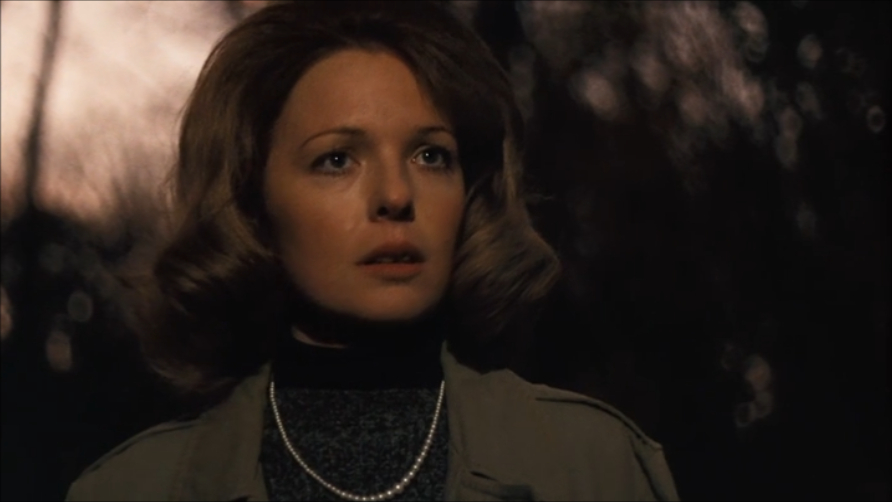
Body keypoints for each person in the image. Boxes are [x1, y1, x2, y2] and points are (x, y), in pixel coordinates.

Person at [66, 2, 679, 500]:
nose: (395, 196)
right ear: (252, 202)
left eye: (431, 156)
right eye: (337, 159)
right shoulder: (134, 489)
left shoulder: (594, 467)